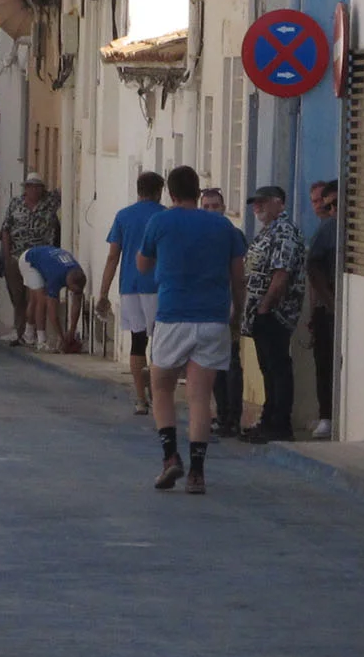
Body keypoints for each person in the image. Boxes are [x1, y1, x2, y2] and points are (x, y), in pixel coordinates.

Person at [135, 167, 245, 496]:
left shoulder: (159, 222)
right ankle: (197, 473)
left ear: (170, 193)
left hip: (173, 315)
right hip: (213, 318)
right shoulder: (225, 227)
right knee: (200, 397)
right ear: (199, 192)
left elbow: (142, 264)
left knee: (162, 388)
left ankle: (170, 457)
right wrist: (237, 313)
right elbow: (238, 278)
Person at [96, 172, 168, 414]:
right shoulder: (165, 216)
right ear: (160, 191)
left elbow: (112, 256)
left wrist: (103, 293)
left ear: (138, 190)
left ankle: (140, 398)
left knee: (138, 342)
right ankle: (159, 396)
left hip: (130, 287)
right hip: (158, 286)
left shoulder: (123, 216)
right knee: (161, 343)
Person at [242, 184, 306, 443]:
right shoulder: (269, 231)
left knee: (277, 367)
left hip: (275, 314)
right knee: (268, 368)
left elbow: (281, 274)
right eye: (255, 203)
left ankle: (279, 424)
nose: (257, 207)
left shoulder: (284, 232)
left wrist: (265, 308)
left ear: (279, 202)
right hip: (262, 312)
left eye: (263, 202)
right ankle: (268, 421)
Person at [197, 189, 251, 437]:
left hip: (225, 304)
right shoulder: (198, 235)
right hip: (206, 308)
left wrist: (236, 310)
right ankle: (222, 414)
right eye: (205, 206)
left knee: (231, 363)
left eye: (214, 206)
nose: (210, 210)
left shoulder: (232, 234)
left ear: (223, 207)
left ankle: (232, 417)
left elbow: (238, 276)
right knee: (214, 365)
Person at [0, 173, 60, 347]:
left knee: (35, 296)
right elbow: (5, 228)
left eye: (37, 186)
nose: (33, 189)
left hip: (39, 258)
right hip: (16, 255)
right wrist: (6, 254)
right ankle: (20, 332)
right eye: (30, 186)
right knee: (18, 297)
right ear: (25, 188)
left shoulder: (49, 204)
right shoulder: (15, 204)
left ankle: (32, 333)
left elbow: (63, 190)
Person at [307, 179, 339, 440]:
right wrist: (328, 303)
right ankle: (326, 415)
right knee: (324, 364)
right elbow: (313, 268)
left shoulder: (331, 228)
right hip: (326, 309)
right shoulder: (327, 230)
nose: (327, 210)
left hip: (334, 306)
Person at [20, 243, 86, 354]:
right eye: (72, 290)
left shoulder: (78, 274)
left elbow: (77, 303)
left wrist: (71, 331)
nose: (73, 293)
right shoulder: (55, 277)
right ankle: (41, 340)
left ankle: (28, 333)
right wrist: (62, 337)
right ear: (68, 283)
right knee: (40, 299)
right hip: (28, 260)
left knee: (36, 297)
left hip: (44, 255)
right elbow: (52, 312)